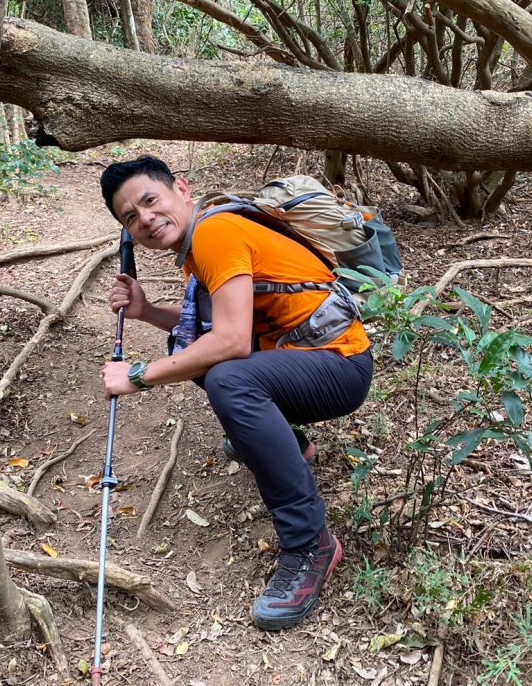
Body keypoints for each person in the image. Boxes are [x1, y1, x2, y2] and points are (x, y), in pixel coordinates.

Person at [99, 155, 373, 631]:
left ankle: (311, 544)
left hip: (339, 365)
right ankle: (290, 445)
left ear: (181, 189)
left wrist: (138, 376)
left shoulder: (215, 235)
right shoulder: (204, 238)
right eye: (130, 217)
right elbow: (209, 328)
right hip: (312, 358)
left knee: (228, 376)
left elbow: (227, 342)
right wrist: (146, 312)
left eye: (150, 201)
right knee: (207, 360)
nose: (145, 219)